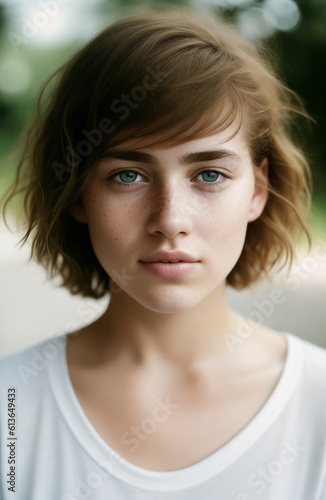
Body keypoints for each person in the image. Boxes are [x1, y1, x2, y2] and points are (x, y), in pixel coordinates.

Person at [1, 5, 325, 499]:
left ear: (258, 190)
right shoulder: (10, 407)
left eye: (209, 174)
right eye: (127, 175)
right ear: (78, 193)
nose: (170, 219)